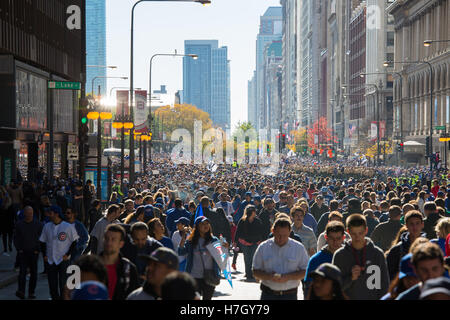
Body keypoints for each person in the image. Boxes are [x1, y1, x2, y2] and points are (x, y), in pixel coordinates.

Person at [332, 214, 389, 300]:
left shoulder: (377, 254)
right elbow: (334, 288)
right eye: (354, 233)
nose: (357, 237)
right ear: (348, 231)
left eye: (360, 233)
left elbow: (384, 286)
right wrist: (350, 278)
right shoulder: (340, 255)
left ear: (366, 230)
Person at [252, 218, 309, 300]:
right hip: (268, 294)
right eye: (278, 235)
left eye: (284, 235)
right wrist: (269, 276)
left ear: (290, 232)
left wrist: (288, 277)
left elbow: (305, 271)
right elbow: (255, 271)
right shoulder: (263, 247)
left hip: (290, 295)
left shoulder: (298, 248)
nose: (281, 238)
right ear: (273, 231)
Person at [178, 216, 228, 300]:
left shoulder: (213, 240)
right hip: (194, 276)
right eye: (203, 224)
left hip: (210, 276)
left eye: (207, 223)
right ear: (197, 226)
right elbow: (181, 252)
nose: (206, 225)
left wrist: (225, 248)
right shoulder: (191, 241)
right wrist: (183, 239)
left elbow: (221, 257)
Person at [39, 205, 79, 300]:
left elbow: (74, 242)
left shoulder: (67, 226)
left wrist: (68, 254)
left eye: (50, 213)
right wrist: (44, 255)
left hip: (63, 260)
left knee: (63, 284)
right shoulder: (47, 226)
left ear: (56, 214)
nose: (48, 215)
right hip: (50, 259)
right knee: (52, 285)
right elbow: (42, 241)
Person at [304, 221, 345, 295]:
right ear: (326, 237)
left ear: (343, 238)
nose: (335, 242)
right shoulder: (315, 260)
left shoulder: (349, 257)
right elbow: (308, 288)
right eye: (331, 238)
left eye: (338, 238)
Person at [99, 224, 139, 300]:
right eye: (106, 238)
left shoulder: (129, 269)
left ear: (121, 244)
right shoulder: (88, 265)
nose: (109, 242)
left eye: (113, 239)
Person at [13, 206, 43, 299]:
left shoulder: (38, 224)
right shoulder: (19, 224)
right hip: (23, 252)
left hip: (34, 252)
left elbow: (41, 238)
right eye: (28, 213)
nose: (29, 215)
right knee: (22, 273)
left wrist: (38, 249)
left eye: (31, 213)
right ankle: (21, 291)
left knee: (33, 273)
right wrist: (19, 249)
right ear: (24, 213)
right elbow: (16, 238)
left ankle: (31, 292)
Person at [386, 210, 426, 280]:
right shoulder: (397, 249)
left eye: (417, 223)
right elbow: (389, 274)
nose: (415, 227)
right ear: (406, 225)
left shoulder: (429, 246)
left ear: (422, 224)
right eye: (411, 224)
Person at [234, 205, 264, 281]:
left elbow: (261, 231)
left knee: (253, 258)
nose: (255, 212)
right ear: (251, 212)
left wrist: (261, 241)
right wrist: (235, 241)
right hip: (245, 242)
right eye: (254, 211)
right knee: (247, 258)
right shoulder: (242, 221)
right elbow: (238, 231)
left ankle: (253, 273)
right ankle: (248, 273)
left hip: (255, 242)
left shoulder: (257, 221)